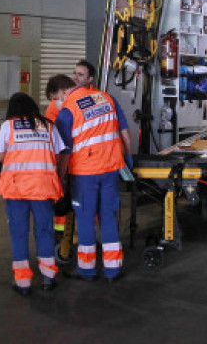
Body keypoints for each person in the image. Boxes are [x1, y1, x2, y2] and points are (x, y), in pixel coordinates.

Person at [56, 59, 132, 282]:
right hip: (110, 169)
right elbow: (124, 133)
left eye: (80, 74)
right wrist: (127, 160)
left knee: (86, 219)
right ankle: (113, 269)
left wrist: (60, 178)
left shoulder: (68, 109)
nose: (76, 77)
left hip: (85, 173)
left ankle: (87, 269)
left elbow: (65, 151)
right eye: (75, 73)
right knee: (108, 216)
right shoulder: (107, 98)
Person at [0, 93, 66, 296]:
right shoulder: (49, 126)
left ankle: (23, 282)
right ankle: (48, 278)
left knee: (19, 233)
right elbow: (58, 154)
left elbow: (1, 156)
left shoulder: (8, 126)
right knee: (45, 231)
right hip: (43, 188)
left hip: (16, 190)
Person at [43, 74, 76, 238]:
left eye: (53, 97)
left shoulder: (55, 108)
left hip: (66, 162)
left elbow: (51, 137)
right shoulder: (90, 101)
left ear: (62, 92)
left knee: (61, 198)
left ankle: (61, 236)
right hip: (86, 163)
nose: (53, 101)